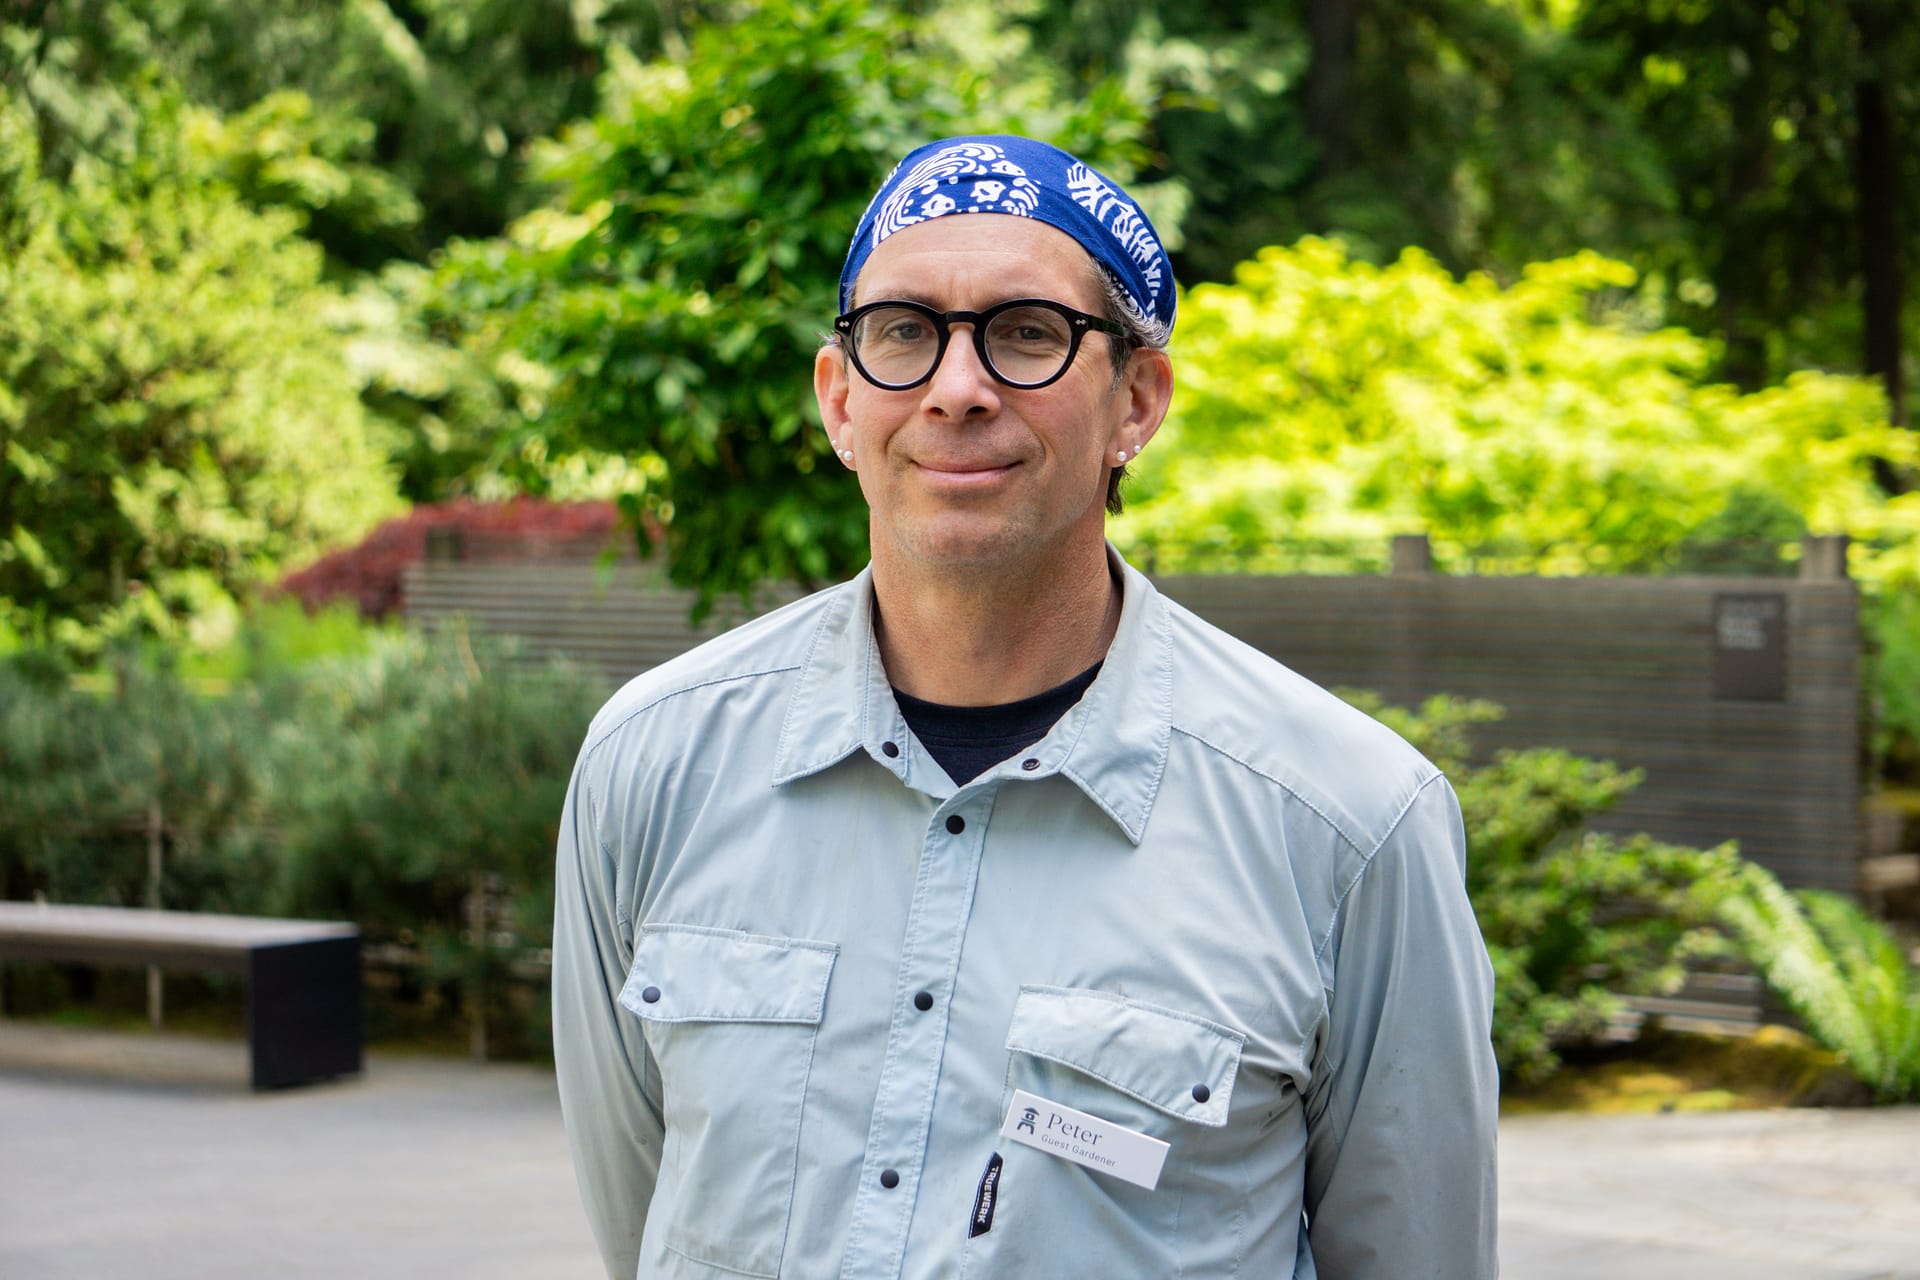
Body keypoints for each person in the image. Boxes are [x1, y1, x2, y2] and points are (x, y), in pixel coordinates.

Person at [552, 135, 1498, 1279]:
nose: (957, 388)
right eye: (903, 331)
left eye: (1027, 334)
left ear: (1135, 403)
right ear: (840, 399)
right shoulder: (652, 764)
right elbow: (640, 1214)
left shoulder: (1349, 821)